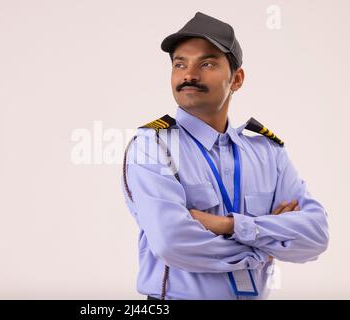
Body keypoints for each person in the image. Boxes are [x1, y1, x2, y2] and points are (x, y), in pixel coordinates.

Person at [121, 12, 329, 300]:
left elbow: (316, 236)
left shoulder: (267, 152)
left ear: (237, 79)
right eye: (180, 64)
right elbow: (172, 242)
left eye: (206, 63)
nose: (189, 75)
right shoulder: (152, 147)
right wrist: (265, 247)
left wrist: (228, 225)